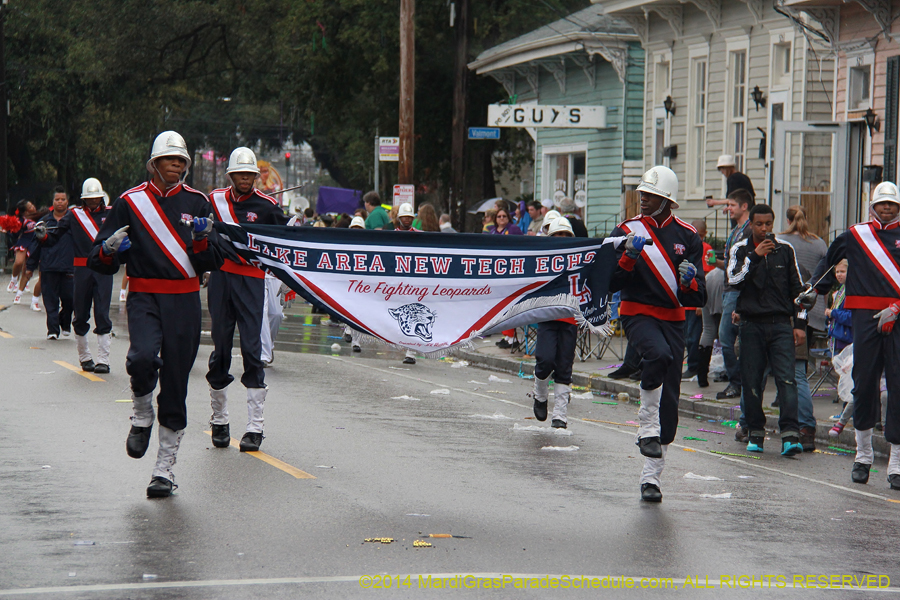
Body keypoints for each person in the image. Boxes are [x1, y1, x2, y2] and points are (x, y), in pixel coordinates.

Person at [88, 130, 224, 498]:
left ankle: (164, 469)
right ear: (154, 163)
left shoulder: (198, 202)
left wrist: (201, 240)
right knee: (142, 358)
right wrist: (110, 249)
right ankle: (142, 412)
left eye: (181, 161)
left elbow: (213, 260)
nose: (177, 166)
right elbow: (98, 258)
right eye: (170, 160)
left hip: (184, 300)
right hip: (144, 294)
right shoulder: (130, 202)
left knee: (177, 383)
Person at [610, 165, 706, 502]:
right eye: (642, 194)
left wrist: (689, 279)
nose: (643, 200)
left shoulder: (689, 236)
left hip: (674, 319)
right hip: (637, 314)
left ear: (667, 200)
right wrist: (627, 259)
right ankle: (645, 425)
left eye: (650, 195)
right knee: (658, 355)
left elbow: (698, 297)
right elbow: (610, 282)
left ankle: (652, 479)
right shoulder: (626, 229)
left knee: (671, 406)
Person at [800, 181, 900, 490]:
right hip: (862, 314)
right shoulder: (856, 235)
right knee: (864, 382)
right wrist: (815, 290)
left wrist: (897, 307)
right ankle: (863, 455)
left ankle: (896, 462)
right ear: (872, 207)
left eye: (892, 205)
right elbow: (828, 264)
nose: (887, 208)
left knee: (898, 385)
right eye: (882, 203)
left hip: (899, 315)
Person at [206, 147, 289, 453]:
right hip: (221, 279)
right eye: (240, 174)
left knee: (253, 349)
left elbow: (286, 242)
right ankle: (220, 417)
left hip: (252, 280)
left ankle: (255, 426)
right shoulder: (214, 200)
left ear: (256, 176)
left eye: (250, 174)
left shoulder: (268, 206)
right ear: (231, 175)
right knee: (221, 348)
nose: (245, 178)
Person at [727, 204, 806, 456]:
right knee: (752, 381)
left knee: (787, 380)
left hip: (781, 324)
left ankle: (791, 435)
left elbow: (799, 292)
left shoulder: (785, 250)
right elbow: (734, 280)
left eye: (768, 224)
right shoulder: (741, 249)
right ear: (750, 224)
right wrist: (755, 257)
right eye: (759, 224)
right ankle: (755, 433)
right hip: (751, 324)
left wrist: (800, 325)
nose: (764, 229)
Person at [36, 178, 113, 372]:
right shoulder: (74, 216)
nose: (94, 202)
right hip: (82, 268)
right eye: (90, 199)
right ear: (83, 200)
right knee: (80, 314)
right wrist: (43, 235)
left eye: (96, 198)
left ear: (101, 197)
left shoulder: (111, 214)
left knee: (102, 313)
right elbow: (55, 236)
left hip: (104, 267)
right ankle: (85, 356)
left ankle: (104, 359)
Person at [531, 217, 579, 429]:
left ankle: (560, 414)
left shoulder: (579, 258)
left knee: (564, 365)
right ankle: (540, 394)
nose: (561, 239)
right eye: (557, 235)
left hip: (570, 317)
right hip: (547, 316)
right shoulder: (542, 258)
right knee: (545, 359)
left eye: (565, 235)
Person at [718, 189, 755, 408]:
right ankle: (740, 382)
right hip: (728, 287)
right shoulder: (736, 230)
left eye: (732, 205)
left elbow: (746, 264)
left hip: (737, 290)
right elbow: (732, 262)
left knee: (726, 336)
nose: (728, 208)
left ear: (744, 207)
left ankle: (737, 382)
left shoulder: (749, 230)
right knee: (730, 338)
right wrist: (717, 263)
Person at [28, 187, 74, 340]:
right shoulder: (45, 222)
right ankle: (53, 330)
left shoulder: (74, 221)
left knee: (70, 299)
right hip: (48, 265)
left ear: (67, 202)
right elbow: (35, 245)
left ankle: (65, 320)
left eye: (62, 199)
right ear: (52, 202)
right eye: (57, 199)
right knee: (50, 299)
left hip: (69, 266)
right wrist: (30, 266)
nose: (60, 202)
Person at [780, 205, 828, 333]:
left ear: (788, 221)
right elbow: (825, 277)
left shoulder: (779, 242)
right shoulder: (819, 244)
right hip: (812, 307)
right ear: (805, 218)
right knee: (806, 350)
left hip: (784, 306)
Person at [682, 219, 716, 379]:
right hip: (684, 301)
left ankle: (694, 366)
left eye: (701, 236)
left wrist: (700, 302)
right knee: (687, 336)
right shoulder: (686, 247)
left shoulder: (707, 249)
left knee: (694, 336)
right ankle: (690, 364)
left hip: (696, 300)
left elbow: (708, 275)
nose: (699, 239)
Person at [827, 260, 853, 437]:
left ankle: (846, 412)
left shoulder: (851, 291)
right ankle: (845, 411)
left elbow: (852, 317)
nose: (839, 275)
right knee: (843, 378)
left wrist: (833, 313)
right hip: (837, 338)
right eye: (837, 272)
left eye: (843, 271)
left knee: (848, 379)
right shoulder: (840, 292)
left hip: (847, 340)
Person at [393, 203, 421, 365]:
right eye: (404, 217)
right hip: (396, 281)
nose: (407, 220)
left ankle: (411, 352)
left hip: (414, 281)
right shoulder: (392, 235)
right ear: (399, 218)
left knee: (413, 314)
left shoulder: (419, 235)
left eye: (410, 217)